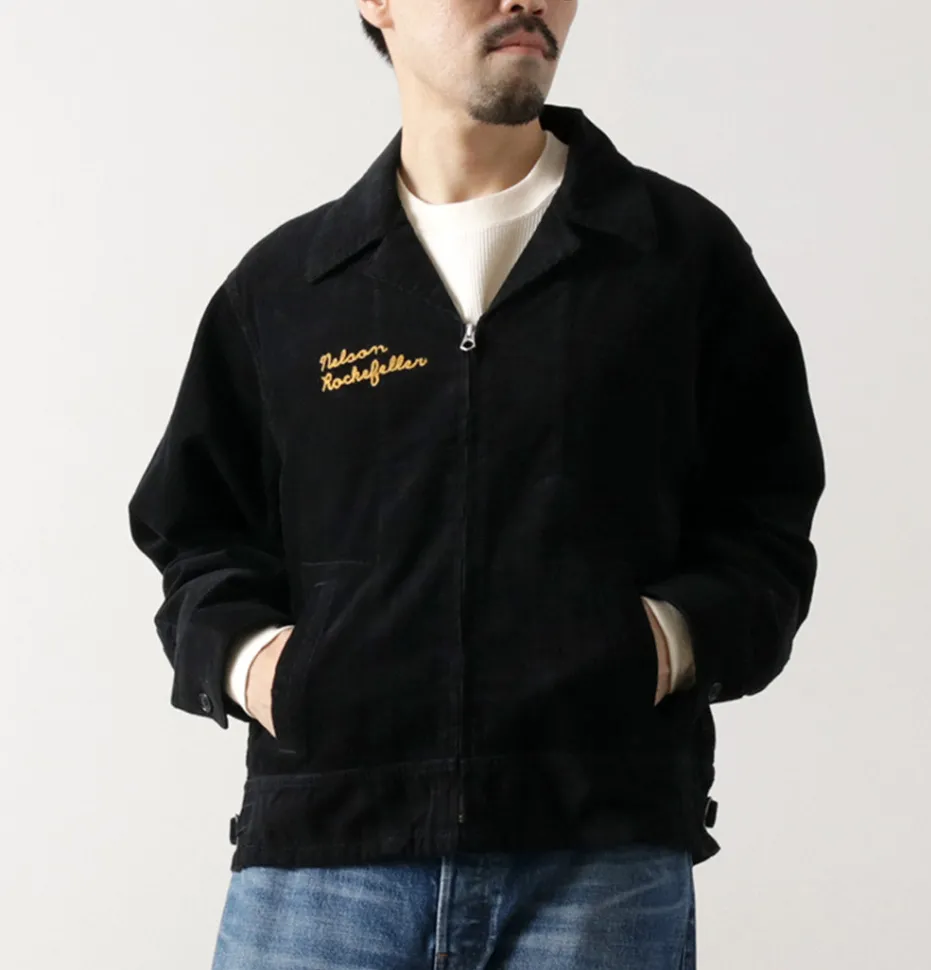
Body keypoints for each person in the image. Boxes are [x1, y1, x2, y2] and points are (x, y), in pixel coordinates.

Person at [127, 1, 826, 966]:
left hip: (597, 861)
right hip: (324, 859)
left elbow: (766, 515)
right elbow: (196, 529)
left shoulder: (675, 256)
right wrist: (259, 668)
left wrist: (665, 645)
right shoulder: (291, 286)